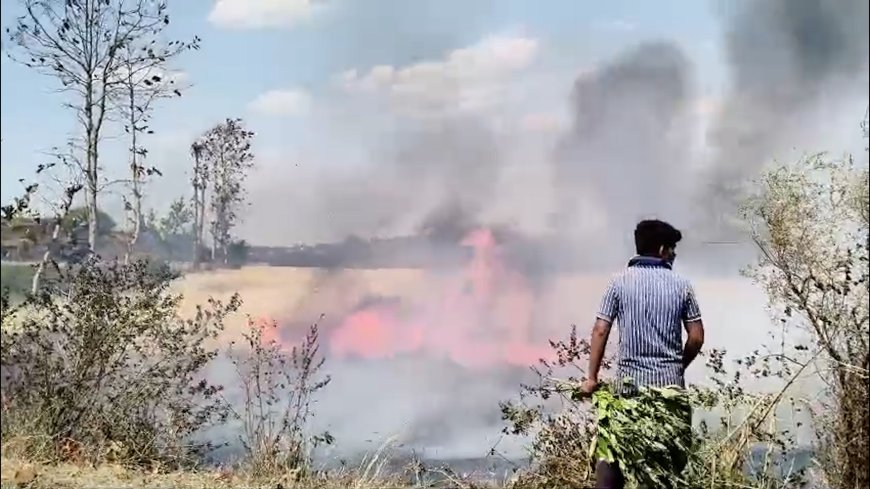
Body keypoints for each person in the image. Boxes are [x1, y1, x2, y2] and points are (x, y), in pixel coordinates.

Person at [580, 219, 706, 489]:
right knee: (667, 466)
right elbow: (696, 338)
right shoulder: (682, 285)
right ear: (662, 250)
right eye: (672, 249)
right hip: (670, 392)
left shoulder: (618, 283)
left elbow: (600, 329)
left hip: (629, 391)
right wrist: (677, 366)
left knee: (611, 452)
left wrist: (591, 377)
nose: (673, 254)